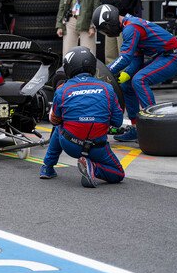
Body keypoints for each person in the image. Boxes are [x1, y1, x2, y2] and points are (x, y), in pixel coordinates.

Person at [92, 4, 177, 142]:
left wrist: (106, 72)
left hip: (173, 57)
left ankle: (153, 126)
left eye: (105, 29)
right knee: (126, 85)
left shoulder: (131, 28)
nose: (107, 32)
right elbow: (136, 60)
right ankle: (136, 128)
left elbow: (125, 57)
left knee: (139, 80)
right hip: (162, 56)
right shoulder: (129, 27)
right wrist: (126, 74)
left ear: (109, 22)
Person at [39, 46, 125, 188]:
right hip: (98, 147)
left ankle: (47, 167)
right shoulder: (107, 88)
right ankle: (94, 168)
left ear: (69, 67)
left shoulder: (62, 90)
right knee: (118, 174)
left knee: (59, 125)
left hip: (71, 145)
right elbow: (118, 122)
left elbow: (54, 120)